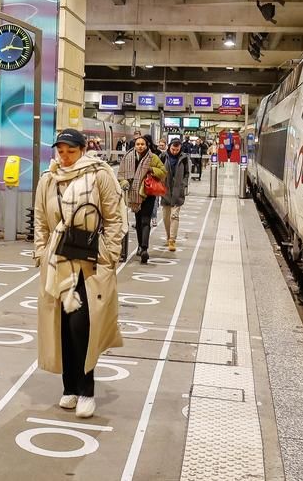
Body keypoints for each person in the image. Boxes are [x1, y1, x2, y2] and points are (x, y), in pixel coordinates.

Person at [34, 128, 125, 419]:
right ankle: (69, 388)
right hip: (56, 263)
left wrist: (109, 256)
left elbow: (113, 218)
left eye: (70, 151)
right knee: (62, 326)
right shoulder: (48, 180)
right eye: (60, 150)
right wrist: (40, 252)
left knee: (83, 326)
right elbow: (40, 220)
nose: (64, 156)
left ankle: (86, 390)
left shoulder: (99, 175)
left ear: (83, 149)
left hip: (89, 262)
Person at [117, 135, 166, 264]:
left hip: (148, 194)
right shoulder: (128, 157)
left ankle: (144, 248)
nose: (140, 146)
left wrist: (151, 169)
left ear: (147, 145)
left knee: (145, 220)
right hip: (134, 195)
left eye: (142, 144)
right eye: (138, 144)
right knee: (138, 221)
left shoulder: (153, 158)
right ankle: (140, 246)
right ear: (135, 145)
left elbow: (163, 171)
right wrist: (124, 183)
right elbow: (121, 175)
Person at [161, 138, 191, 252]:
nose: (174, 151)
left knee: (174, 216)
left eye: (177, 149)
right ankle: (169, 236)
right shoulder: (164, 157)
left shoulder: (183, 158)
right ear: (169, 147)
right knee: (165, 217)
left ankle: (172, 240)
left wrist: (183, 184)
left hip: (178, 192)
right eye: (173, 149)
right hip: (165, 191)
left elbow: (187, 173)